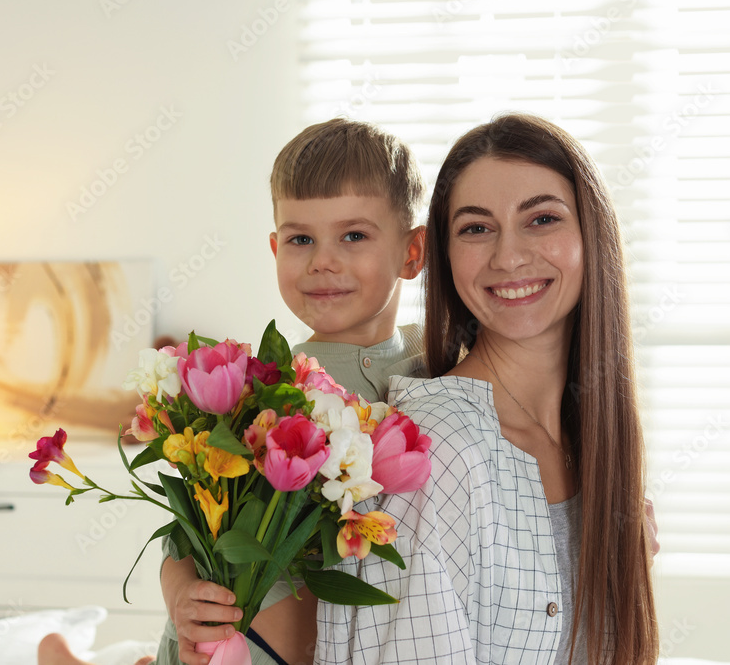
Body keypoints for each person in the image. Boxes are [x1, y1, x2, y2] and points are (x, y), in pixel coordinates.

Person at [314, 113, 659, 663]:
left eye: (542, 219)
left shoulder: (595, 443)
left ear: (591, 234)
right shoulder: (437, 446)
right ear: (444, 255)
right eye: (476, 228)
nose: (509, 256)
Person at [154, 117, 428, 665]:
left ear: (412, 252)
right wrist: (182, 595)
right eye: (301, 239)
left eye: (354, 235)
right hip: (238, 646)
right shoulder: (265, 389)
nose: (322, 260)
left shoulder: (438, 361)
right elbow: (184, 531)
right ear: (275, 247)